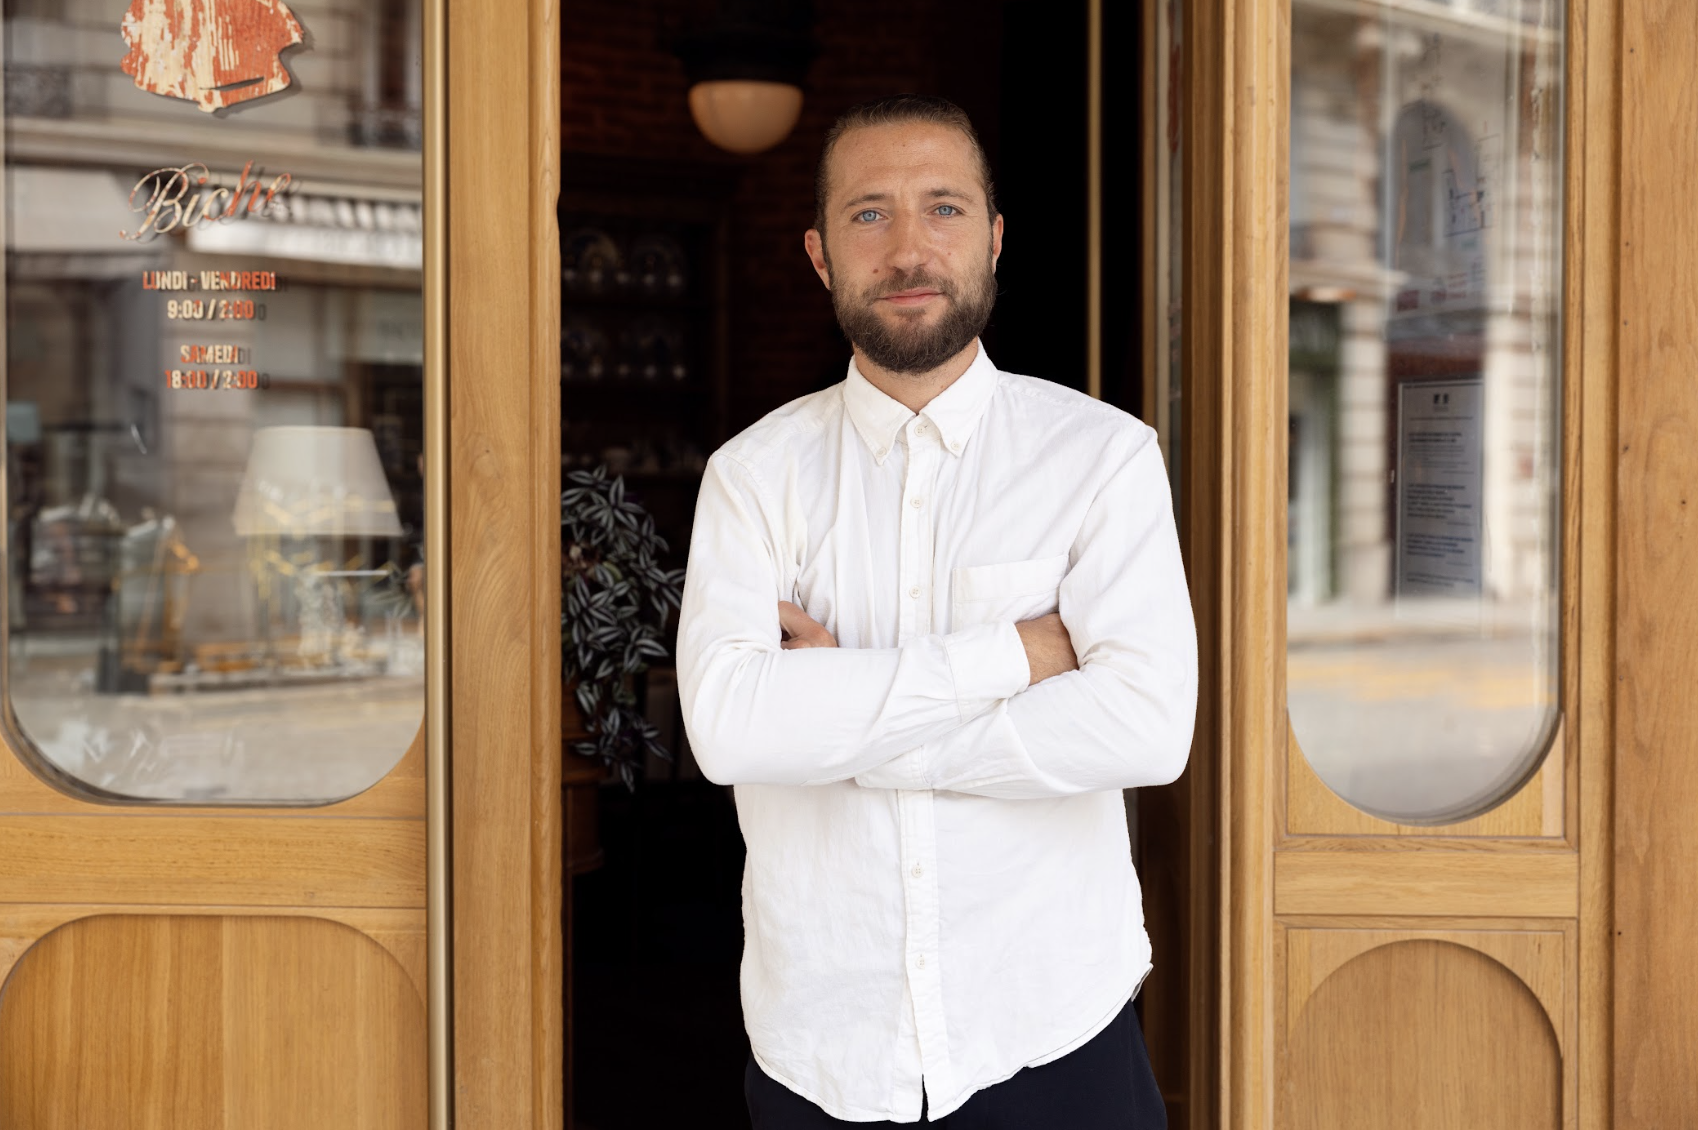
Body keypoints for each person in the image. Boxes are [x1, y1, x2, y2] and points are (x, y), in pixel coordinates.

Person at [676, 94, 1196, 1128]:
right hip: (825, 1049)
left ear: (995, 240)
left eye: (944, 208)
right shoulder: (751, 478)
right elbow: (730, 725)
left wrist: (842, 725)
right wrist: (1015, 653)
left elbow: (1149, 723)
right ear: (821, 254)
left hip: (1053, 1031)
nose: (909, 246)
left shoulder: (1101, 459)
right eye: (870, 213)